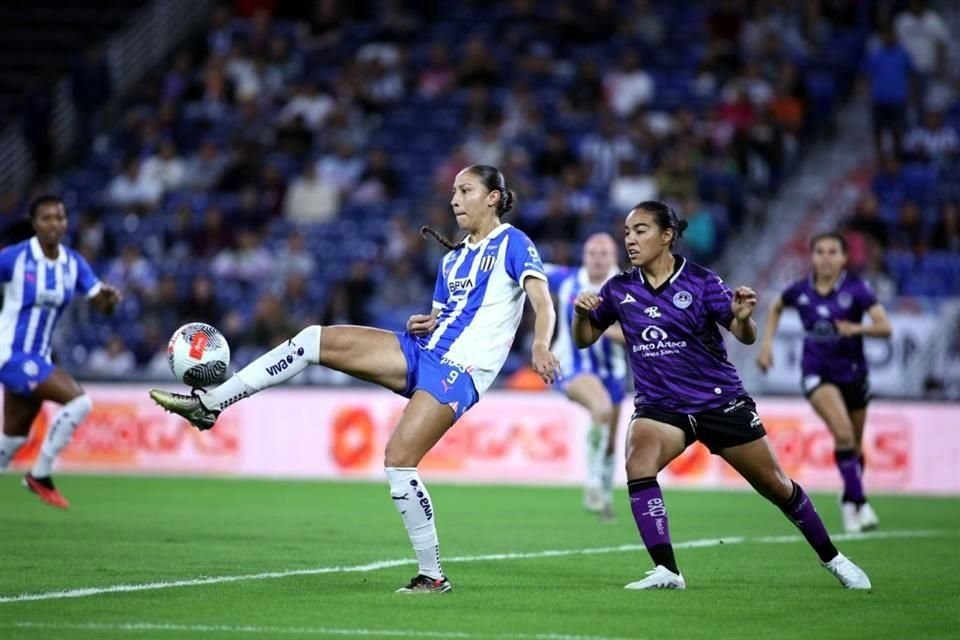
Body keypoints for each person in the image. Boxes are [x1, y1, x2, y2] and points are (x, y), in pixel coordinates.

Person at [149, 165, 560, 594]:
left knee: (399, 461)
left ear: (493, 197)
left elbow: (542, 302)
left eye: (466, 190)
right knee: (312, 339)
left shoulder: (513, 243)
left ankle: (432, 576)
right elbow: (442, 316)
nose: (455, 199)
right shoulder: (452, 259)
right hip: (422, 351)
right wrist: (423, 322)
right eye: (453, 191)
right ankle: (210, 405)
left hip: (460, 372)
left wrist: (540, 344)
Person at [572, 201, 871, 590]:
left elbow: (742, 335)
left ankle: (835, 559)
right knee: (637, 463)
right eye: (627, 232)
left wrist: (744, 318)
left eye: (641, 230)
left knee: (776, 486)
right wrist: (581, 315)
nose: (630, 239)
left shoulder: (701, 282)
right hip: (661, 408)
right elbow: (585, 340)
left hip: (719, 402)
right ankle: (667, 570)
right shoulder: (618, 289)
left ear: (667, 236)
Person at [756, 232, 892, 533]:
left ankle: (848, 499)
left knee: (854, 445)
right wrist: (766, 345)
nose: (826, 257)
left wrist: (856, 328)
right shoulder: (801, 290)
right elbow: (776, 306)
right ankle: (859, 502)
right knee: (842, 433)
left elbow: (885, 327)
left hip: (854, 374)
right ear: (812, 257)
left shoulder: (857, 290)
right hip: (817, 373)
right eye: (820, 251)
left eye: (833, 252)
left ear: (844, 258)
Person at [0, 196, 121, 508]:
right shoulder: (14, 258)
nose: (54, 224)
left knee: (11, 441)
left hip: (38, 358)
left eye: (59, 217)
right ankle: (40, 475)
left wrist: (109, 300)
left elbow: (101, 305)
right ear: (34, 223)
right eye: (46, 218)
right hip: (11, 354)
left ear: (66, 222)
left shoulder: (73, 263)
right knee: (80, 401)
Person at [546, 233, 626, 519]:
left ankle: (604, 497)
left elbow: (638, 335)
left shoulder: (627, 289)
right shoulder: (567, 279)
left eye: (604, 253)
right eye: (592, 252)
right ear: (584, 256)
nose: (597, 258)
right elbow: (528, 268)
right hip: (572, 367)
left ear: (614, 257)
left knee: (611, 443)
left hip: (613, 373)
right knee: (600, 407)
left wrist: (601, 329)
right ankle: (591, 483)